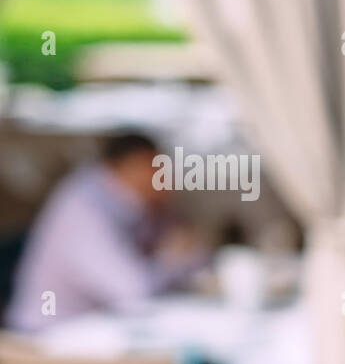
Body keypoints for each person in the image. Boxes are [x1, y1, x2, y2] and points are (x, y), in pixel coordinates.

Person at [4, 132, 207, 331]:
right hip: (45, 340)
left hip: (96, 332)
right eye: (158, 169)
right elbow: (134, 293)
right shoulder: (84, 207)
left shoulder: (141, 203)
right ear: (133, 166)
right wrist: (173, 261)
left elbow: (194, 252)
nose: (167, 179)